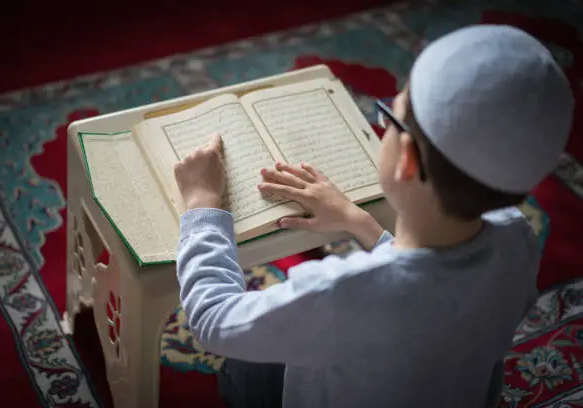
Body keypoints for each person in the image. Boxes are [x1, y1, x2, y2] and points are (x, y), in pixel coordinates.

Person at [172, 25, 574, 408]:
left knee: (241, 367)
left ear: (407, 159)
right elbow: (432, 291)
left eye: (389, 114)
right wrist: (356, 220)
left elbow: (213, 321)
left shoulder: (345, 290)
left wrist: (203, 205)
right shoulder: (517, 237)